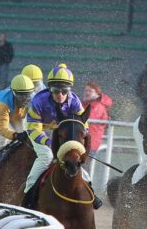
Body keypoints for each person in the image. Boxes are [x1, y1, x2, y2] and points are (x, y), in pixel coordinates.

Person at [22, 64, 100, 210]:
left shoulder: (74, 101)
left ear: (69, 90)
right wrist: (48, 141)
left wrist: (76, 144)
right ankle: (28, 195)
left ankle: (91, 191)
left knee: (73, 157)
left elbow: (83, 126)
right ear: (49, 89)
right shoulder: (39, 100)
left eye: (64, 91)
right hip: (38, 128)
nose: (60, 94)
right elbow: (33, 128)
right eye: (56, 90)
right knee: (46, 156)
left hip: (58, 130)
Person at [0, 74, 35, 193]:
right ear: (14, 93)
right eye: (21, 96)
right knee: (3, 139)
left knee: (26, 138)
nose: (25, 99)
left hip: (17, 113)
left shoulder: (34, 100)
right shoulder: (4, 103)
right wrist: (15, 135)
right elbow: (2, 128)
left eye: (27, 95)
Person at [82, 81, 113, 159]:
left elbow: (85, 119)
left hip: (89, 143)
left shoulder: (97, 106)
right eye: (86, 90)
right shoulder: (85, 105)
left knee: (80, 165)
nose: (87, 93)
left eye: (90, 91)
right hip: (82, 141)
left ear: (97, 94)